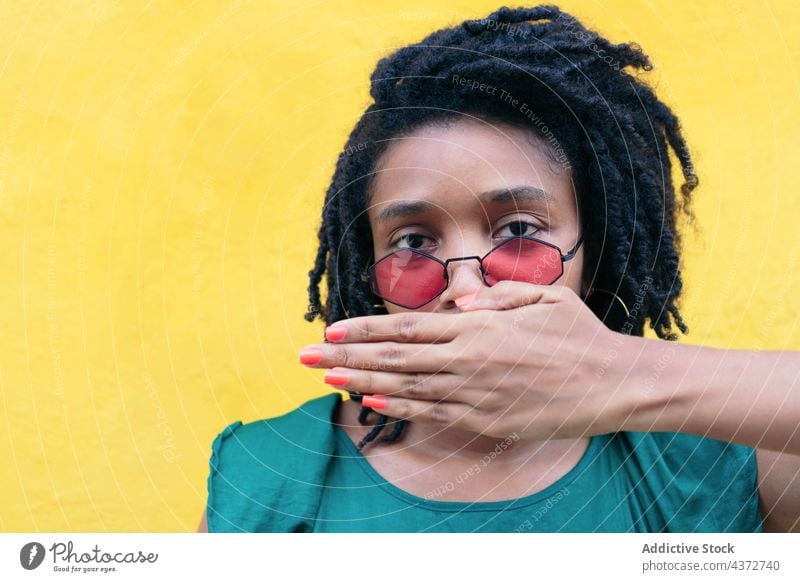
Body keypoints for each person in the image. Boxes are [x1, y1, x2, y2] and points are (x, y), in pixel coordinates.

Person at [199, 5, 793, 533]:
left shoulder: (716, 454)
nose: (463, 289)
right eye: (412, 240)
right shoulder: (266, 475)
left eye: (518, 230)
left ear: (594, 251)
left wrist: (627, 373)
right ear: (365, 268)